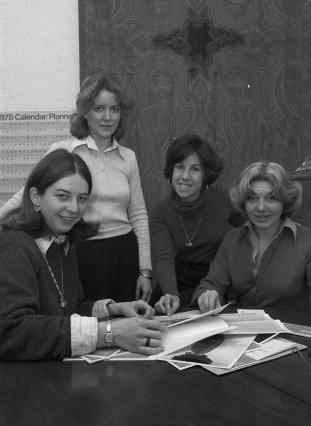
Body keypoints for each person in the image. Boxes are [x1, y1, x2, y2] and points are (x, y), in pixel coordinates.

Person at [0, 149, 165, 361]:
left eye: (82, 198)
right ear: (36, 197)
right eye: (62, 196)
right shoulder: (14, 245)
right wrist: (108, 334)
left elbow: (70, 309)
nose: (74, 208)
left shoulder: (64, 243)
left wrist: (114, 309)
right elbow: (11, 332)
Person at [0, 73, 152, 302]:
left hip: (124, 252)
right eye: (99, 108)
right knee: (89, 322)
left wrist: (144, 270)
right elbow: (27, 195)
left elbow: (139, 215)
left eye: (115, 109)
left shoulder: (128, 157)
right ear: (85, 111)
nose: (108, 117)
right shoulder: (64, 151)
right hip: (81, 252)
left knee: (125, 322)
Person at [193, 161, 311, 313]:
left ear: (285, 201)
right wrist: (208, 295)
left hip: (290, 333)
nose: (261, 207)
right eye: (253, 198)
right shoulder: (232, 240)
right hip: (240, 331)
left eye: (271, 198)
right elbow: (211, 284)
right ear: (244, 203)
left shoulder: (307, 241)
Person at [150, 134, 244, 316]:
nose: (185, 176)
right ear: (171, 171)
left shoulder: (225, 199)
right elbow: (164, 258)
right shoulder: (161, 212)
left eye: (194, 169)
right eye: (179, 167)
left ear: (205, 174)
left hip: (215, 278)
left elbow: (249, 231)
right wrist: (170, 293)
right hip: (177, 281)